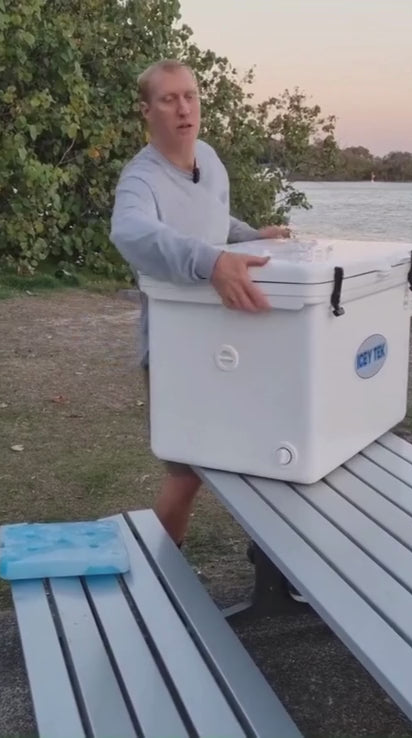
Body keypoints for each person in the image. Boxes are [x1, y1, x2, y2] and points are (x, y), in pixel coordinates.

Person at [109, 59, 297, 565]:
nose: (183, 108)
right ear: (147, 111)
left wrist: (250, 235)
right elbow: (130, 231)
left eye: (189, 96)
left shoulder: (209, 159)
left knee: (265, 447)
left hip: (230, 335)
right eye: (168, 99)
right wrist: (211, 263)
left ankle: (277, 571)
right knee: (186, 470)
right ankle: (161, 571)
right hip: (173, 345)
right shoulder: (139, 179)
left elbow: (211, 219)